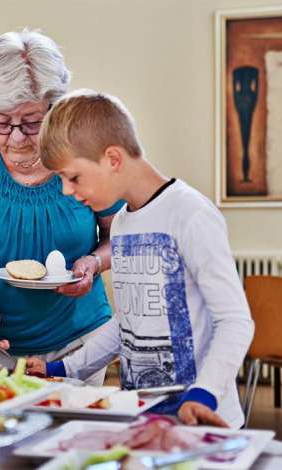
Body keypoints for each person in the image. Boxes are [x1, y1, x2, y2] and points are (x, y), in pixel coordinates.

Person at [27, 90, 254, 428]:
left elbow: (235, 321)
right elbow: (129, 323)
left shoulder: (190, 214)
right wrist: (64, 369)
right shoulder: (120, 224)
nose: (66, 190)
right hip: (144, 418)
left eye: (72, 177)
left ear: (113, 159)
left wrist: (203, 394)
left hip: (203, 419)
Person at [0, 30, 123, 385]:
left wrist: (93, 263)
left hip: (77, 343)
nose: (15, 136)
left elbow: (118, 234)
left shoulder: (87, 142)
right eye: (0, 120)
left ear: (55, 107)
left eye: (31, 121)